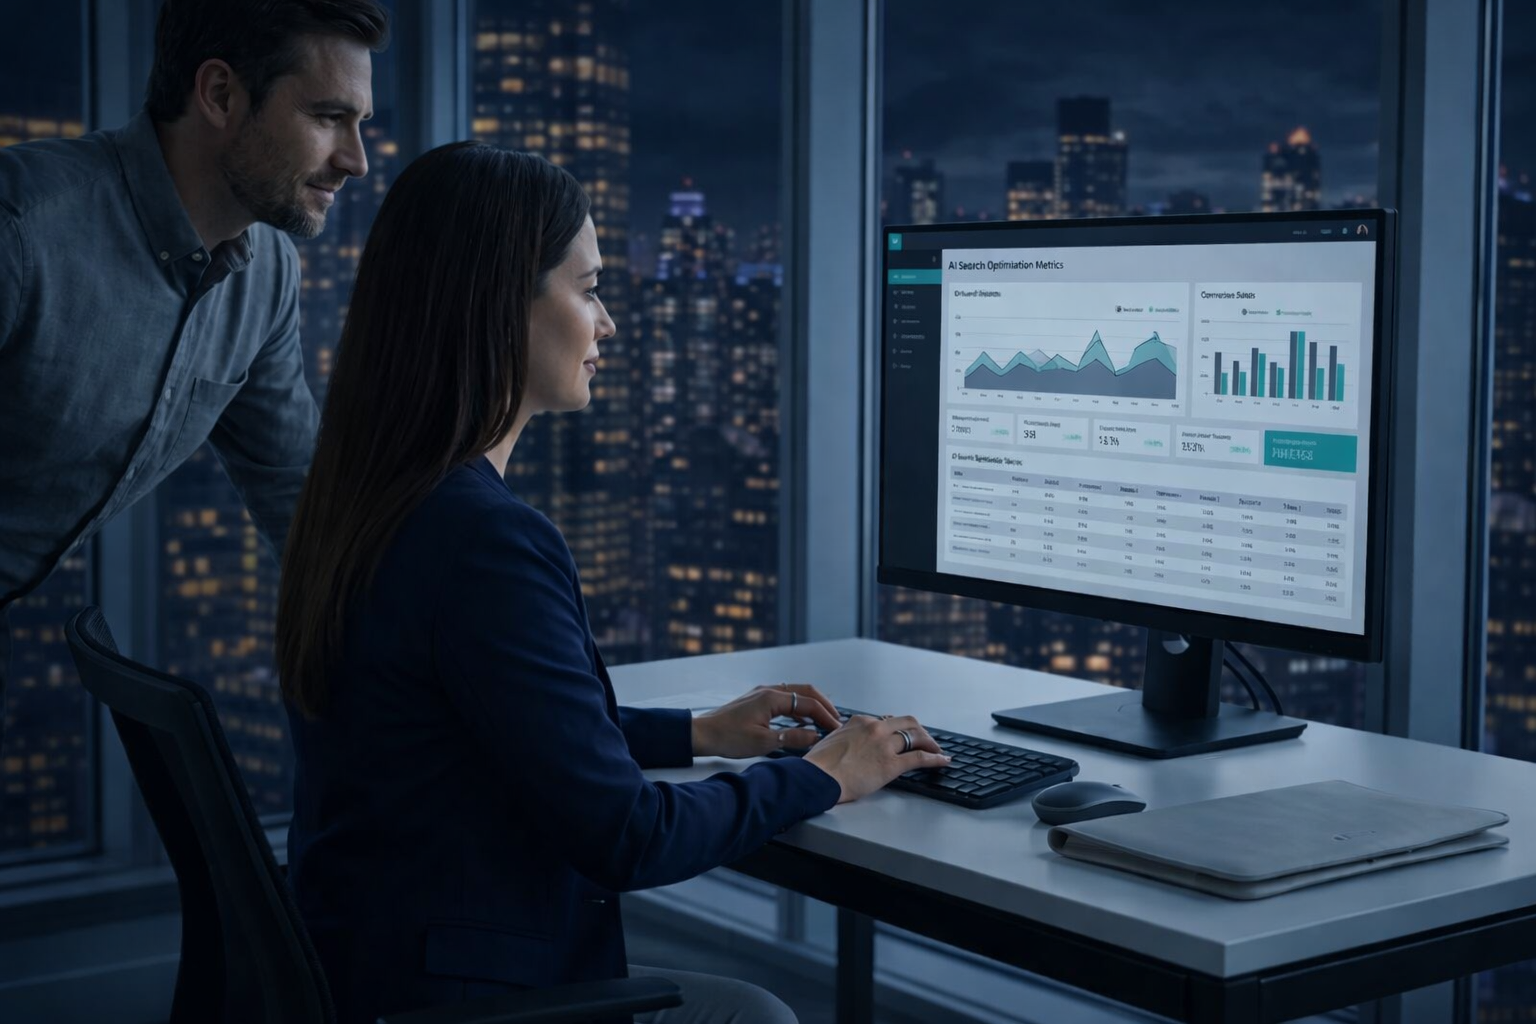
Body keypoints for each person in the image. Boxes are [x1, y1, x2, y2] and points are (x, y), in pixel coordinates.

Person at [274, 142, 951, 1024]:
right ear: (498, 302)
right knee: (754, 1016)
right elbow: (628, 837)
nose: (609, 324)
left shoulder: (368, 499)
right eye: (589, 289)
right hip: (463, 996)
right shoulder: (484, 541)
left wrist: (698, 732)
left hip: (368, 967)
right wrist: (828, 775)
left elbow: (487, 726)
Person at [0, 0, 388, 745]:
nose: (356, 159)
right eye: (327, 117)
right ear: (219, 94)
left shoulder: (266, 276)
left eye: (360, 123)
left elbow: (295, 495)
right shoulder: (20, 231)